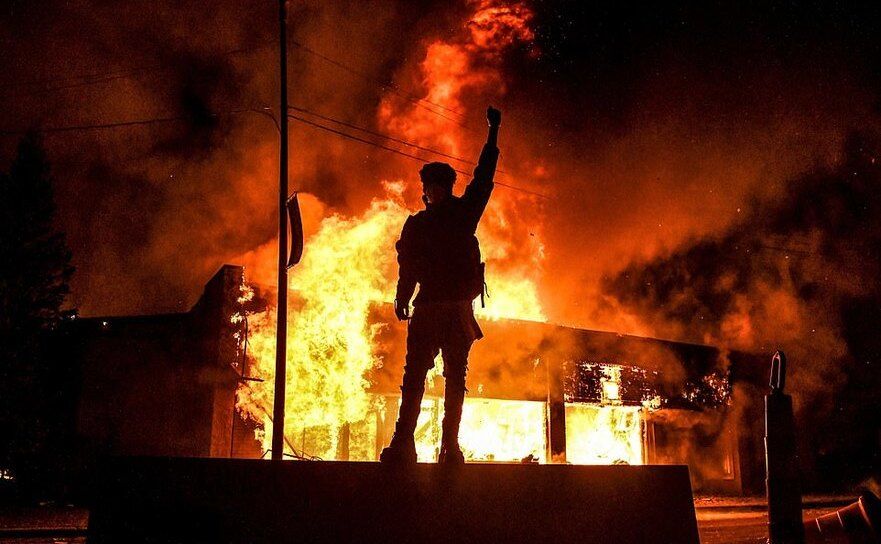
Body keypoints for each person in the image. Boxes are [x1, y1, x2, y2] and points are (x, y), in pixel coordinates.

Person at [380, 106, 502, 465]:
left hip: (439, 309)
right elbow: (409, 267)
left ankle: (425, 444)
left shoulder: (430, 221)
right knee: (438, 379)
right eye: (431, 186)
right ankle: (430, 444)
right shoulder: (450, 218)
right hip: (445, 310)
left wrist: (493, 133)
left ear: (437, 188)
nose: (431, 191)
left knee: (428, 377)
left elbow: (483, 177)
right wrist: (403, 297)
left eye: (434, 185)